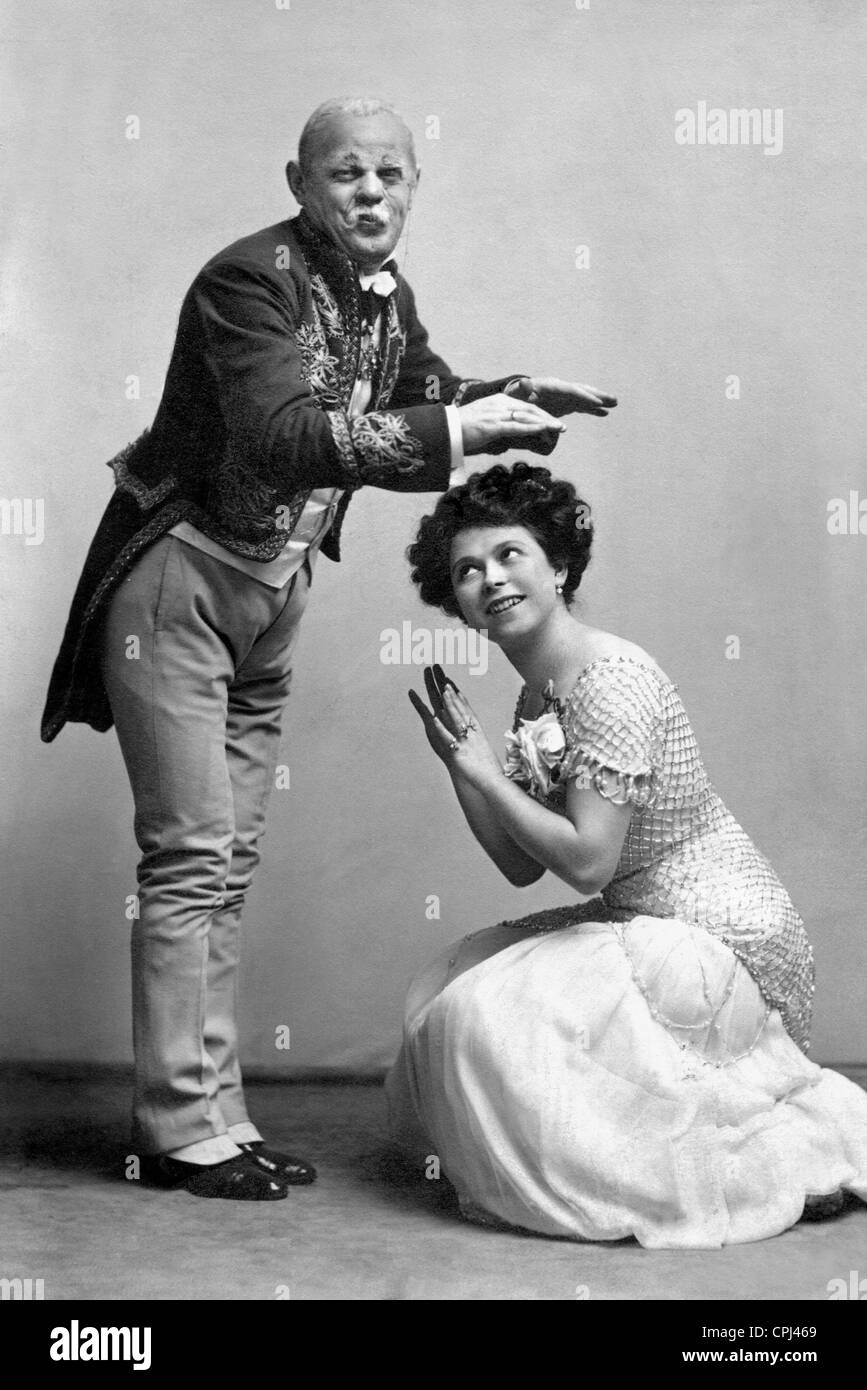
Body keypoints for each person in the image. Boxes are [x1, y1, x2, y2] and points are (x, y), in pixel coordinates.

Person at [40, 98, 617, 1200]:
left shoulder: (382, 299)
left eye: (392, 177)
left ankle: (214, 1112)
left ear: (412, 189)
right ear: (300, 182)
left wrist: (511, 396)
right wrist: (460, 430)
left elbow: (417, 398)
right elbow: (287, 433)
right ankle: (175, 1129)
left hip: (275, 588)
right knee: (192, 853)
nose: (372, 195)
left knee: (229, 857)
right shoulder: (244, 282)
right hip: (181, 581)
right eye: (348, 174)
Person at [387, 460, 867, 1247]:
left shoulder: (609, 681)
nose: (490, 580)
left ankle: (761, 1155)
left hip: (723, 937)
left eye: (510, 555)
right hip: (640, 916)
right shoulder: (533, 696)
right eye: (467, 571)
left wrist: (481, 770)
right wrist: (460, 763)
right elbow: (517, 864)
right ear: (459, 606)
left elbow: (585, 864)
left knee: (486, 1014)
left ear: (559, 566)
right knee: (452, 980)